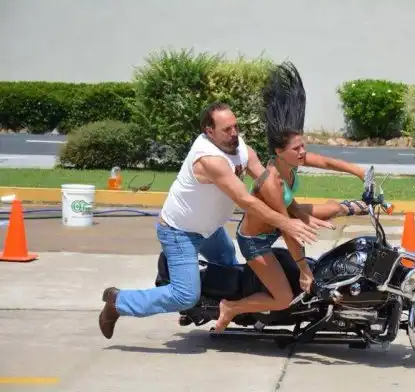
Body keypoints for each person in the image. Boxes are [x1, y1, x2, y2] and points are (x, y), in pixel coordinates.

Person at [98, 102, 335, 340]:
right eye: (227, 129)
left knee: (231, 274)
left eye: (235, 127)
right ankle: (119, 302)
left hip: (210, 229)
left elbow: (269, 184)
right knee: (184, 295)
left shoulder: (240, 147)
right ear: (209, 131)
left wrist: (298, 211)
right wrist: (286, 223)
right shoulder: (209, 159)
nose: (234, 133)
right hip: (180, 231)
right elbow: (245, 200)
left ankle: (210, 308)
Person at [214, 61, 368, 332]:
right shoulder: (271, 182)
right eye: (297, 148)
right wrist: (304, 270)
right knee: (283, 298)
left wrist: (359, 172)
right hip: (257, 242)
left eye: (302, 146)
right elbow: (288, 229)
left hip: (281, 217)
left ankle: (355, 206)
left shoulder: (294, 159)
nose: (302, 152)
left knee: (333, 208)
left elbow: (327, 162)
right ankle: (231, 307)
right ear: (279, 151)